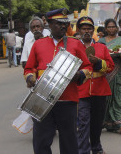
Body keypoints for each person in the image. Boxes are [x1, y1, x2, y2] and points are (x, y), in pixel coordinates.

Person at [24, 8, 93, 154]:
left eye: (65, 24)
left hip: (67, 100)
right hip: (42, 99)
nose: (63, 26)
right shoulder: (38, 44)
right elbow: (29, 68)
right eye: (58, 23)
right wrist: (30, 77)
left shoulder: (75, 44)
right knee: (41, 141)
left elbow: (88, 67)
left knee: (69, 141)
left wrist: (79, 75)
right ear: (49, 24)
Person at [76, 17, 114, 154]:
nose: (87, 31)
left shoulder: (101, 47)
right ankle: (83, 150)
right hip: (81, 90)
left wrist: (98, 63)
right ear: (79, 30)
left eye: (89, 29)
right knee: (83, 122)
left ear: (93, 30)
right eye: (84, 29)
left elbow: (110, 66)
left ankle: (96, 147)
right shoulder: (74, 47)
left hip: (100, 90)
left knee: (97, 123)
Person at [99, 18, 121, 134]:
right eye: (109, 27)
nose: (111, 29)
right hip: (106, 73)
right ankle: (106, 122)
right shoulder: (101, 41)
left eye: (113, 27)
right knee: (106, 99)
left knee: (120, 97)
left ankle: (120, 125)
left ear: (117, 28)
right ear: (106, 29)